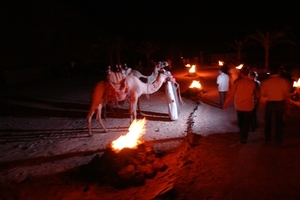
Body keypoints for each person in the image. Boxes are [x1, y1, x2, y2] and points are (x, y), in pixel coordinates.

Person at [223, 67, 256, 144]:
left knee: (241, 121)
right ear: (248, 73)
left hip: (239, 105)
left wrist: (225, 103)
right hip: (249, 106)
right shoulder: (252, 83)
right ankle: (244, 137)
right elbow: (255, 94)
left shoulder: (237, 82)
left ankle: (242, 133)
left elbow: (231, 94)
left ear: (241, 73)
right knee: (247, 122)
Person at [260, 64, 291, 145]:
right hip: (280, 102)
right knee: (279, 121)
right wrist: (288, 104)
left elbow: (263, 95)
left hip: (270, 102)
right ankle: (278, 139)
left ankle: (268, 138)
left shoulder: (265, 82)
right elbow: (286, 94)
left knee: (268, 121)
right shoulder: (284, 81)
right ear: (279, 72)